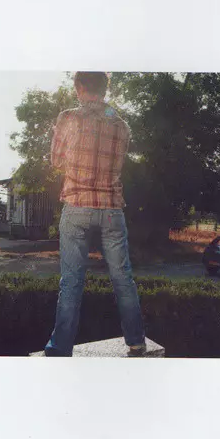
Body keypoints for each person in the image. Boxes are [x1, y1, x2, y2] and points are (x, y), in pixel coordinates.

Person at [44, 71, 146, 357]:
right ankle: (136, 340)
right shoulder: (122, 126)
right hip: (112, 209)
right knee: (123, 278)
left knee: (71, 281)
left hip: (77, 205)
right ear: (104, 88)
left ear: (79, 87)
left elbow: (55, 161)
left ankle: (60, 347)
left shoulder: (68, 118)